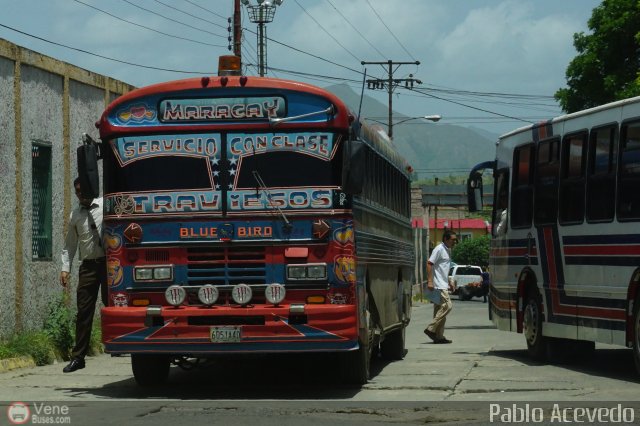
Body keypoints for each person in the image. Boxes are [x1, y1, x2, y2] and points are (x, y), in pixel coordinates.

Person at [60, 178, 107, 373]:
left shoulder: (105, 204)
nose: (80, 194)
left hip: (109, 263)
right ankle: (78, 357)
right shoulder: (75, 215)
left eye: (82, 190)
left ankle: (117, 344)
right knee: (84, 312)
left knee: (112, 303)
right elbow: (69, 245)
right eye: (77, 191)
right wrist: (65, 268)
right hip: (88, 267)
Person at [424, 230, 457, 344]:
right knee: (448, 306)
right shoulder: (439, 249)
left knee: (439, 310)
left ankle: (439, 337)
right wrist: (429, 281)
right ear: (446, 239)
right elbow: (429, 263)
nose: (454, 242)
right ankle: (430, 328)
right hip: (437, 285)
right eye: (453, 240)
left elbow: (443, 269)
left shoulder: (448, 250)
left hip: (443, 283)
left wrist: (449, 281)